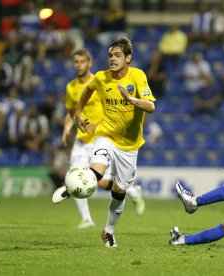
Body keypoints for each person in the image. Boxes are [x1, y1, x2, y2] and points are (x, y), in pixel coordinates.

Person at [55, 37, 155, 247]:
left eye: (118, 55)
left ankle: (108, 231)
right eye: (110, 55)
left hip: (129, 146)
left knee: (119, 192)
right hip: (106, 135)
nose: (112, 59)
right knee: (97, 171)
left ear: (128, 58)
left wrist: (130, 100)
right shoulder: (101, 77)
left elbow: (150, 106)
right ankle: (72, 187)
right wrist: (78, 114)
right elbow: (87, 91)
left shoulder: (138, 76)